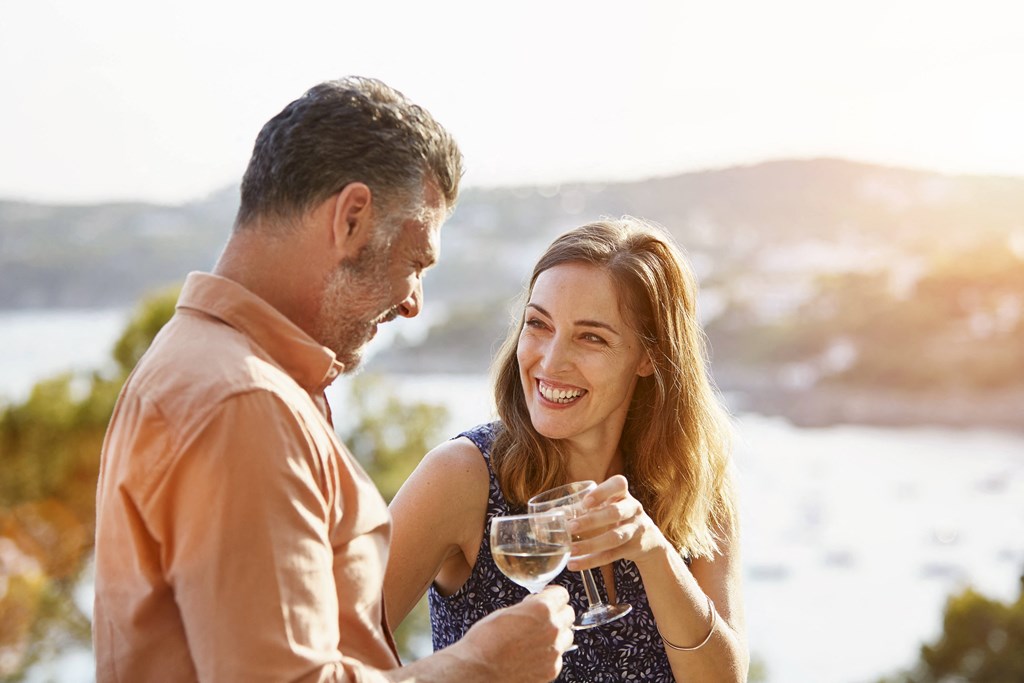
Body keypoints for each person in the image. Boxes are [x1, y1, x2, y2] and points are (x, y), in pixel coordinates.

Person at [92, 76, 574, 683]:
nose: (414, 304)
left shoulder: (206, 366)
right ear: (351, 218)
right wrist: (482, 665)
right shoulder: (243, 403)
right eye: (416, 261)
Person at [385, 218, 748, 682]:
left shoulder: (696, 481)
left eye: (591, 337)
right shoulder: (462, 476)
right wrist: (469, 668)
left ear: (649, 356)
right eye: (538, 324)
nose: (551, 362)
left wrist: (654, 553)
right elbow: (314, 667)